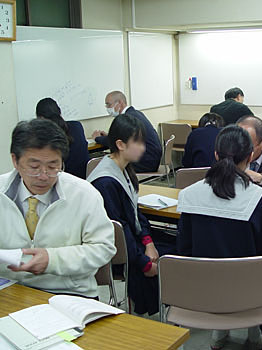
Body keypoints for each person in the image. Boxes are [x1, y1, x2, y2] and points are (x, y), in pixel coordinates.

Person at [177, 125, 262, 350]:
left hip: (199, 295)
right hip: (251, 297)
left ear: (215, 155)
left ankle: (219, 335)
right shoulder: (260, 199)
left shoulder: (189, 195)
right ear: (250, 156)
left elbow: (184, 250)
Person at [0, 119, 116, 298]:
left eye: (53, 166)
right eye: (34, 167)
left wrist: (52, 260)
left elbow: (103, 248)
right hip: (11, 290)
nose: (44, 176)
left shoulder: (83, 194)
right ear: (15, 160)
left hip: (69, 293)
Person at [88, 114, 175, 315]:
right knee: (173, 255)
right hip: (118, 253)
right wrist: (145, 262)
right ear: (120, 144)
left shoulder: (124, 169)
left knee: (178, 242)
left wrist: (149, 243)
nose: (143, 148)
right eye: (138, 142)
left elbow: (135, 214)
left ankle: (167, 306)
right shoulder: (106, 181)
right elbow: (120, 231)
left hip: (133, 242)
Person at [92, 91, 162, 173]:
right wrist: (109, 135)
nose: (107, 108)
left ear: (120, 103)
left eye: (109, 105)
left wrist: (97, 138)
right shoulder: (135, 113)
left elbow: (112, 142)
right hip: (152, 159)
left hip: (144, 162)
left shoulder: (127, 118)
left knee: (107, 162)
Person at [36, 98, 89, 179]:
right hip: (84, 178)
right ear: (59, 111)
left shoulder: (44, 135)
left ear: (41, 118)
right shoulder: (76, 125)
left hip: (63, 182)